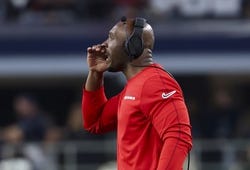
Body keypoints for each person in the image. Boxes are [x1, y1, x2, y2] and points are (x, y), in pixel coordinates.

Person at [82, 16, 192, 170]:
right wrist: (95, 74)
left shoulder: (156, 83)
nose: (104, 45)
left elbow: (179, 135)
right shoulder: (135, 87)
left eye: (111, 38)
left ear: (132, 46)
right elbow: (95, 122)